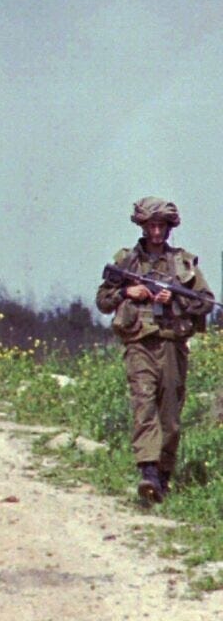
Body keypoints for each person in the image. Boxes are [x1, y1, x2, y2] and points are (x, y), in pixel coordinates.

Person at [95, 197, 215, 504]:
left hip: (172, 344)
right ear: (143, 227)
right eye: (152, 226)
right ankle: (147, 472)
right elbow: (104, 301)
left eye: (162, 226)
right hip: (139, 343)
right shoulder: (127, 262)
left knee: (171, 417)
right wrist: (128, 291)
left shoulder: (183, 263)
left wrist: (172, 300)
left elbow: (204, 301)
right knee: (143, 404)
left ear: (169, 227)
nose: (157, 232)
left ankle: (163, 476)